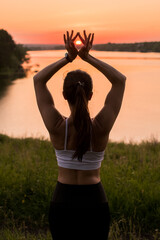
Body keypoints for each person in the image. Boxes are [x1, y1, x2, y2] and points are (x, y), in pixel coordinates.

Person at [33, 30, 126, 240]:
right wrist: (87, 57)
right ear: (91, 95)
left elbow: (38, 80)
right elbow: (120, 81)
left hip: (62, 201)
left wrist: (68, 58)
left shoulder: (57, 126)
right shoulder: (101, 127)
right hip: (94, 201)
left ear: (64, 95)